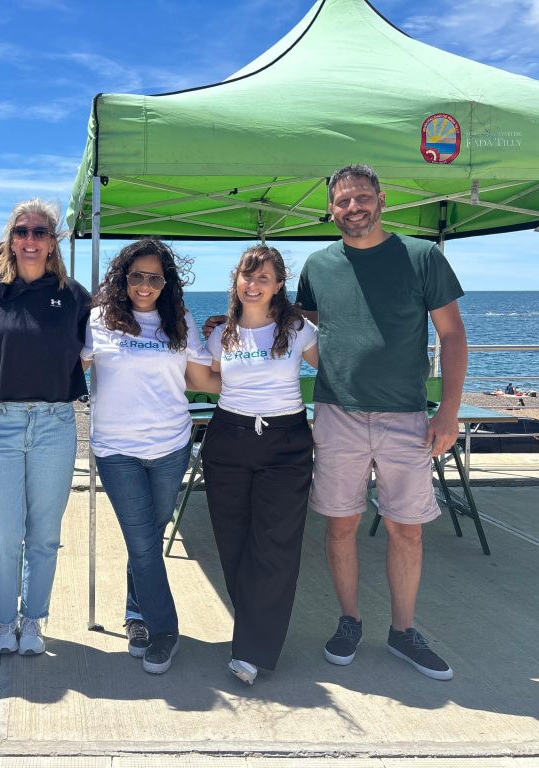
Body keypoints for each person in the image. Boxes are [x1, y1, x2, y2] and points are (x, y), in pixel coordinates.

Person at [296, 163, 467, 681]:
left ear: (381, 199)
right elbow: (306, 331)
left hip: (407, 418)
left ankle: (403, 631)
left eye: (362, 198)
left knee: (406, 530)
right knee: (340, 524)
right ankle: (350, 621)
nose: (353, 208)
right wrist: (233, 323)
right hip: (336, 415)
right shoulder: (317, 265)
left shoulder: (421, 257)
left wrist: (450, 410)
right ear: (330, 209)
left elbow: (453, 337)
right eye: (343, 201)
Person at [0, 199, 91, 655]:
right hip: (0, 425)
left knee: (44, 534)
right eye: (21, 231)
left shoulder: (74, 297)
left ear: (53, 242)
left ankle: (33, 621)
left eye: (39, 232)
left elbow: (118, 335)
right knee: (1, 532)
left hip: (55, 422)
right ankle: (4, 620)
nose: (30, 239)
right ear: (9, 241)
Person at [81, 238, 217, 675]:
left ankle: (136, 614)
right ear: (123, 278)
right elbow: (67, 366)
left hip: (171, 448)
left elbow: (203, 379)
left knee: (147, 543)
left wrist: (239, 347)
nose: (144, 285)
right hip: (117, 450)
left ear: (166, 283)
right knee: (142, 543)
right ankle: (164, 631)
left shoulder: (179, 321)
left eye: (153, 277)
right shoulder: (99, 320)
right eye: (136, 275)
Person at [200, 246, 318, 686]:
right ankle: (253, 630)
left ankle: (250, 649)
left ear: (278, 285)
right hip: (228, 439)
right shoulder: (221, 334)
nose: (254, 284)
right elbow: (209, 379)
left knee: (275, 544)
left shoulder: (297, 328)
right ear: (236, 282)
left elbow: (336, 368)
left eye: (264, 277)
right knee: (233, 543)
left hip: (285, 444)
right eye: (247, 276)